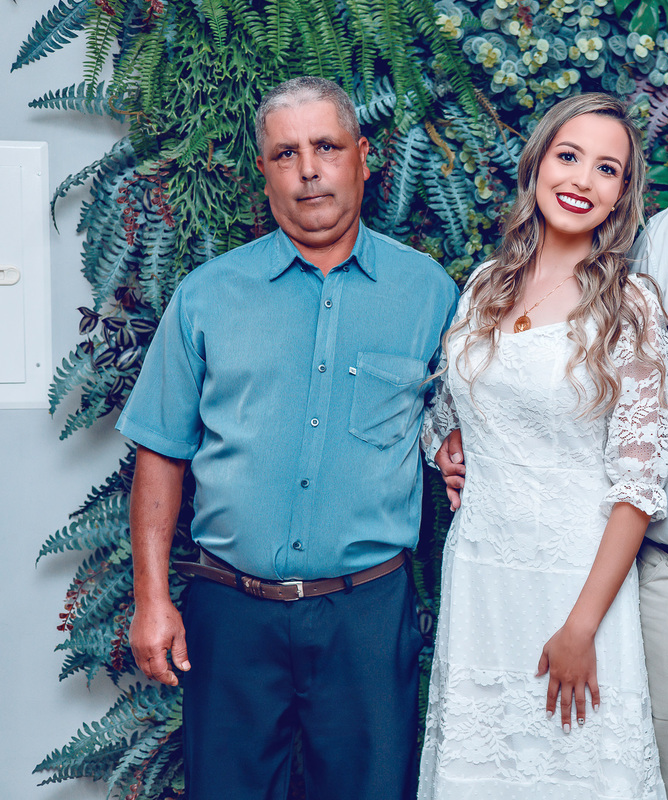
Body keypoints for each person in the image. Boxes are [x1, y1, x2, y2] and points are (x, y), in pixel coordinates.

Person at [116, 76, 458, 799]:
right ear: (264, 170)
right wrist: (152, 599)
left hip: (368, 614)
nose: (308, 169)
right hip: (230, 611)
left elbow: (457, 425)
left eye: (326, 147)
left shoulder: (430, 294)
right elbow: (161, 452)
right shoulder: (206, 296)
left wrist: (452, 451)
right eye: (285, 153)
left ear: (363, 157)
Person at [417, 92, 668, 799]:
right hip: (481, 579)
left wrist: (581, 628)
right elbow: (451, 408)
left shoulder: (630, 306)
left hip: (574, 584)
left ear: (622, 194)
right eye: (569, 156)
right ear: (537, 166)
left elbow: (639, 488)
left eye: (607, 169)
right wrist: (448, 446)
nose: (582, 180)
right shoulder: (484, 287)